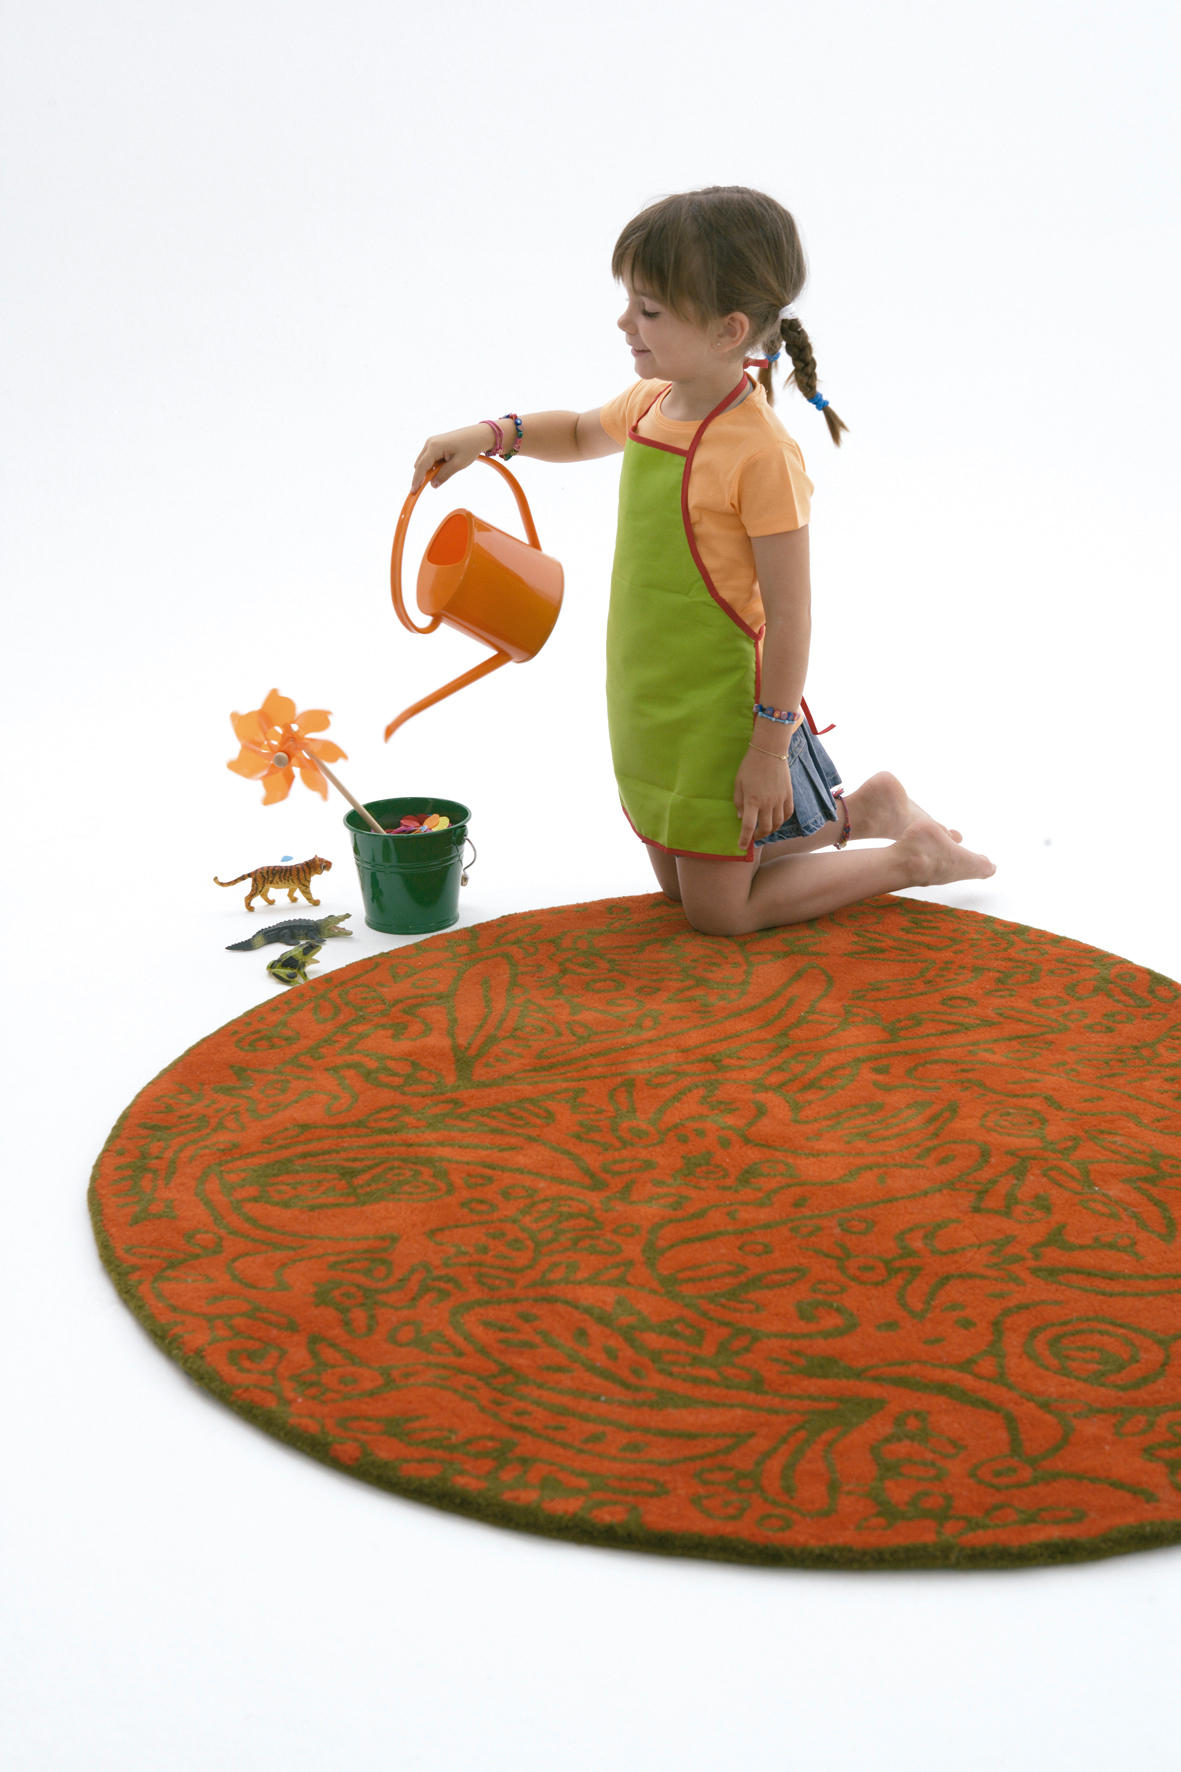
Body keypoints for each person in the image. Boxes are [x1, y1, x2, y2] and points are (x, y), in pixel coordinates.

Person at [410, 185, 995, 937]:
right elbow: (581, 432)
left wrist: (768, 749)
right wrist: (491, 435)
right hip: (650, 688)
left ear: (728, 331)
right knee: (679, 883)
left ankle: (910, 856)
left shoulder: (761, 454)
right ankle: (862, 810)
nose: (625, 322)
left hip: (721, 706)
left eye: (649, 310)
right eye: (628, 302)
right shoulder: (652, 402)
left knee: (719, 912)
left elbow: (790, 617)